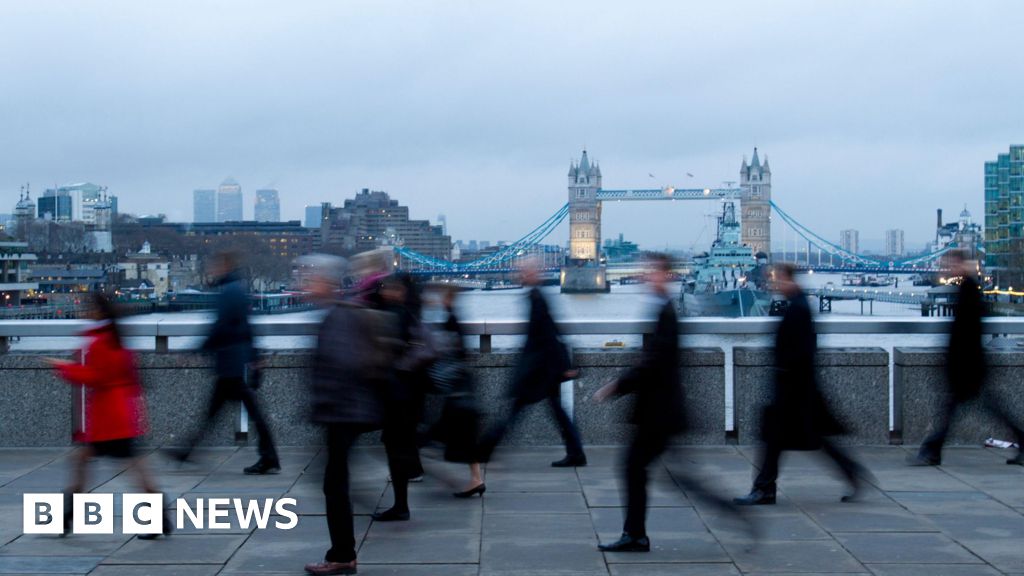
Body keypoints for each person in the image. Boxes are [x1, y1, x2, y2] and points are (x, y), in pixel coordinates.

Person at [734, 263, 872, 506]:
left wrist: (785, 377)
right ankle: (851, 472)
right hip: (797, 387)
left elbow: (799, 351)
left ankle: (764, 489)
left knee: (779, 440)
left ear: (789, 280)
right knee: (808, 440)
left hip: (793, 388)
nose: (775, 285)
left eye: (778, 280)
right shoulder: (798, 305)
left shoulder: (798, 309)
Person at [302, 255, 395, 576]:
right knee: (334, 481)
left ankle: (342, 555)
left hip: (343, 412)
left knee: (334, 484)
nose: (305, 284)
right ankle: (343, 551)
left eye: (310, 278)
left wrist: (323, 404)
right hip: (346, 411)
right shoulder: (338, 314)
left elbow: (345, 366)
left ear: (327, 284)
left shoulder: (337, 317)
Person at [51, 293, 171, 539]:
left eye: (89, 309)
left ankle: (68, 516)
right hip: (120, 412)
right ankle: (68, 517)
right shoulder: (116, 340)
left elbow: (96, 377)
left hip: (109, 416)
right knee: (122, 464)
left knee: (107, 464)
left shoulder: (100, 343)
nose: (85, 313)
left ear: (99, 313)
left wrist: (63, 367)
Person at [594, 254, 684, 552]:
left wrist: (617, 384)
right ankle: (635, 534)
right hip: (658, 409)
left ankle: (635, 535)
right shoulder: (663, 309)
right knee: (641, 470)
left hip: (659, 411)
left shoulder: (667, 312)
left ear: (667, 276)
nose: (647, 275)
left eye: (654, 271)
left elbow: (655, 362)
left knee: (634, 468)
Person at [166, 251, 279, 474]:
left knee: (230, 412)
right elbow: (246, 327)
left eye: (214, 265)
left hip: (230, 363)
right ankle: (186, 450)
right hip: (236, 361)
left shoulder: (229, 292)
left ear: (224, 265)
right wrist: (255, 356)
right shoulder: (237, 289)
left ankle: (269, 456)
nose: (211, 269)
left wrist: (193, 351)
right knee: (223, 411)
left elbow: (220, 327)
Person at [909, 250, 1024, 466]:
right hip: (969, 364)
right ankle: (932, 450)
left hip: (967, 365)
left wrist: (955, 360)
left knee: (954, 411)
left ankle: (931, 451)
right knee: (978, 410)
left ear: (961, 264)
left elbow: (967, 331)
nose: (947, 269)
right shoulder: (968, 288)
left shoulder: (969, 289)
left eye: (950, 264)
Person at [478, 259, 586, 467]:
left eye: (525, 272)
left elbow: (546, 335)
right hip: (545, 368)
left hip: (539, 369)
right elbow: (551, 332)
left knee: (514, 411)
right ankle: (576, 453)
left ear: (534, 274)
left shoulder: (536, 297)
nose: (522, 275)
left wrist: (562, 366)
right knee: (555, 412)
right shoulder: (537, 296)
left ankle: (484, 450)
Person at [372, 273, 431, 522]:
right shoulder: (411, 313)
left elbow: (385, 353)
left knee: (395, 447)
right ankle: (401, 502)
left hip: (398, 394)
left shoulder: (396, 316)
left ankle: (400, 505)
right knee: (399, 446)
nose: (383, 291)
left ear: (399, 291)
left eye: (388, 288)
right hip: (409, 393)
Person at [426, 285, 485, 498]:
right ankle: (475, 479)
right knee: (464, 436)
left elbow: (446, 351)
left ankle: (411, 470)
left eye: (441, 295)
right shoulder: (454, 317)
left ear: (447, 297)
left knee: (433, 436)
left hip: (454, 390)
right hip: (460, 388)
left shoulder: (450, 319)